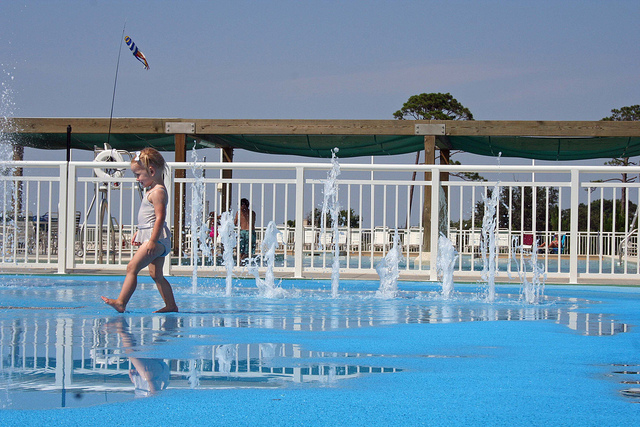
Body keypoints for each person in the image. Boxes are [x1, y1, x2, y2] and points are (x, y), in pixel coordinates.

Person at [101, 147, 178, 313]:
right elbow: (148, 218)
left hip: (156, 238)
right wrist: (140, 231)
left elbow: (159, 218)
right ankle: (171, 305)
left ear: (151, 171)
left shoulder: (158, 192)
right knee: (156, 274)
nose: (137, 179)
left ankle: (121, 302)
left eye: (138, 175)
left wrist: (151, 240)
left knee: (132, 268)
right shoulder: (153, 190)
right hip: (155, 236)